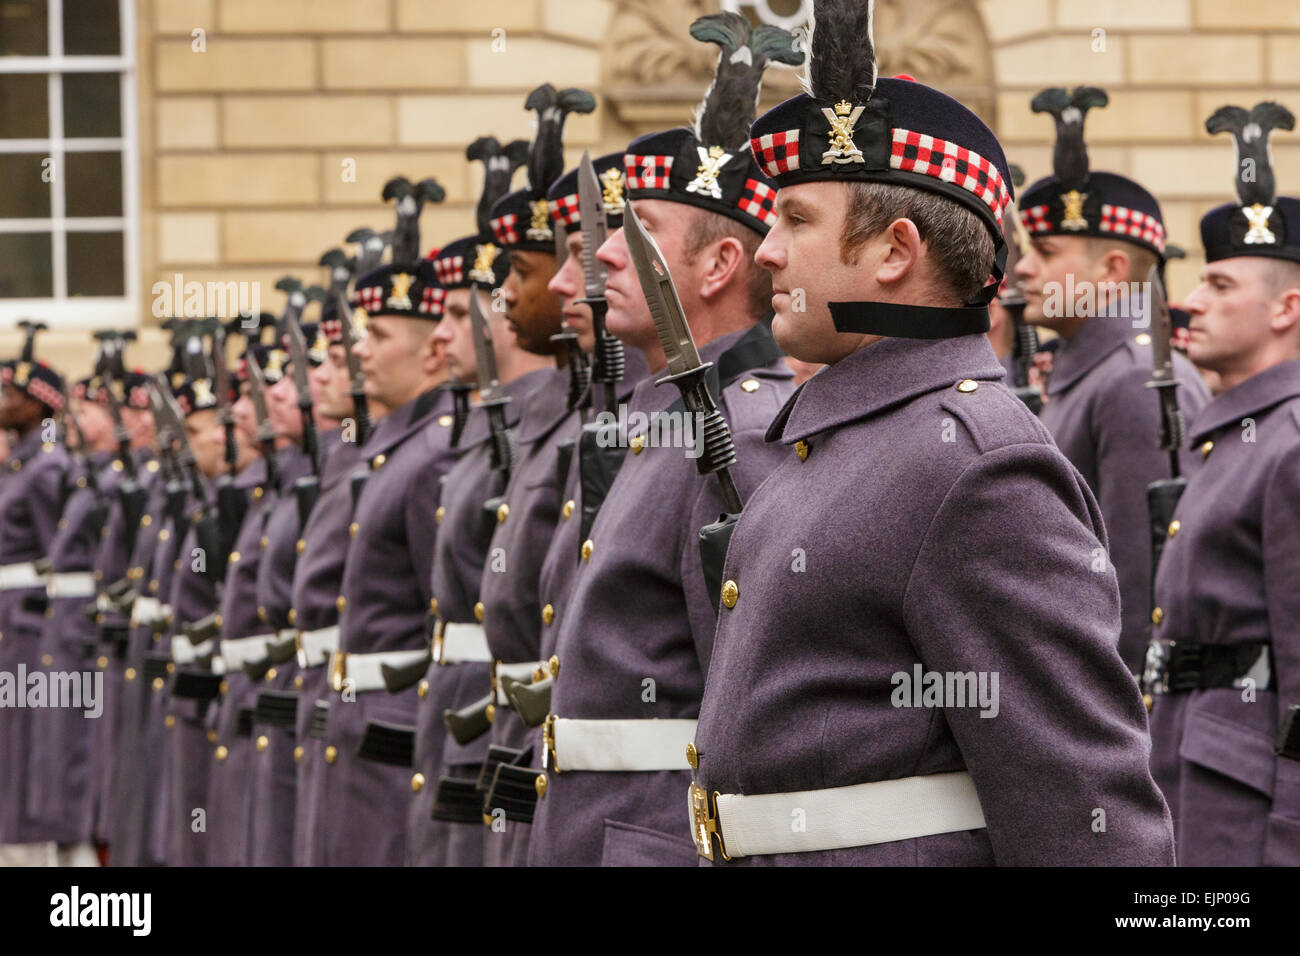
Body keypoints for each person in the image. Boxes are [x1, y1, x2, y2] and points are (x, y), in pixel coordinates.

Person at [688, 0, 1174, 866]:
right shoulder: (854, 430)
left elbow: (1087, 816)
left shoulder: (977, 466)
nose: (766, 250)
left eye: (796, 220)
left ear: (894, 253)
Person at [527, 10, 800, 867]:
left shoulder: (740, 425)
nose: (604, 255)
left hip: (655, 837)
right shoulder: (658, 411)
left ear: (719, 267)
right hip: (593, 822)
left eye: (634, 230)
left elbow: (745, 696)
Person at [1145, 100, 1300, 866]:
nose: (1191, 301)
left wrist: (1288, 841)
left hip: (1250, 808)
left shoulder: (1292, 443)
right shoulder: (1237, 434)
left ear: (1287, 308)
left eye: (1218, 285)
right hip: (1192, 773)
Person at [1014, 85, 1210, 673]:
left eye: (1045, 251)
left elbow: (1141, 582)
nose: (1023, 267)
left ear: (1113, 270)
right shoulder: (1092, 371)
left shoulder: (1133, 382)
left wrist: (1124, 732)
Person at [314, 176, 461, 867]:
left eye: (375, 335)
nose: (357, 351)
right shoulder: (392, 446)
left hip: (398, 728)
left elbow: (450, 611)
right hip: (363, 722)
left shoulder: (432, 452)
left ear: (433, 350)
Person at [0, 349, 69, 863]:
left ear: (42, 405)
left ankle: (27, 842)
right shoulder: (23, 458)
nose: (4, 402)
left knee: (23, 733)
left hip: (24, 619)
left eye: (15, 395)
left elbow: (56, 554)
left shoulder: (47, 465)